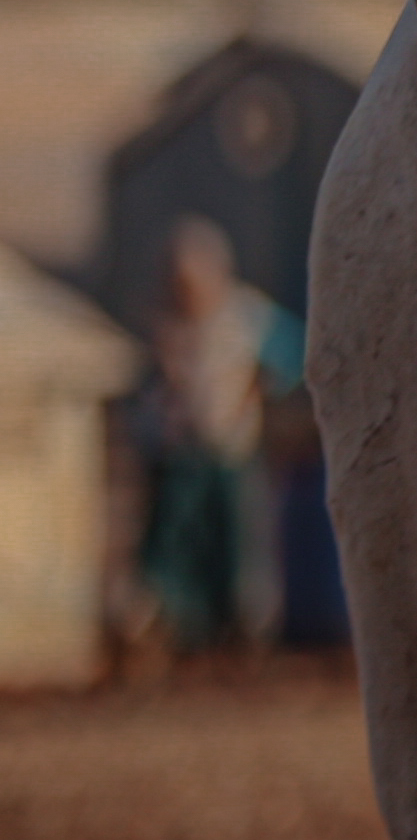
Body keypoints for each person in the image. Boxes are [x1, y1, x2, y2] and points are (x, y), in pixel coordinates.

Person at [129, 218, 301, 656]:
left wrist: (258, 388)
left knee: (238, 546)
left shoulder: (246, 316)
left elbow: (294, 355)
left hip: (231, 451)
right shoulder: (166, 321)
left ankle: (242, 636)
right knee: (177, 547)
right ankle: (183, 634)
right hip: (179, 454)